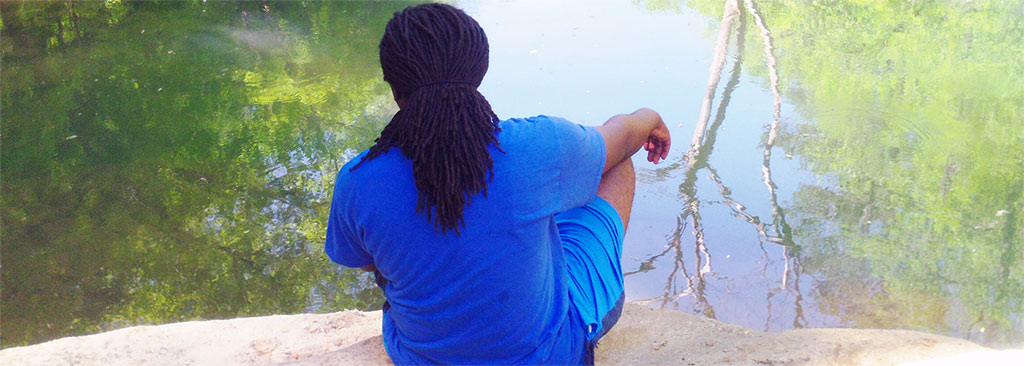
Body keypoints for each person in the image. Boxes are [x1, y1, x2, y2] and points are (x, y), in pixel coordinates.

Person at [324, 3, 670, 364]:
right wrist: (651, 118)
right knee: (613, 164)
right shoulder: (537, 144)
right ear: (479, 71)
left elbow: (364, 262)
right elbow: (625, 135)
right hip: (553, 357)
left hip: (418, 357)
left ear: (394, 88)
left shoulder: (357, 180)